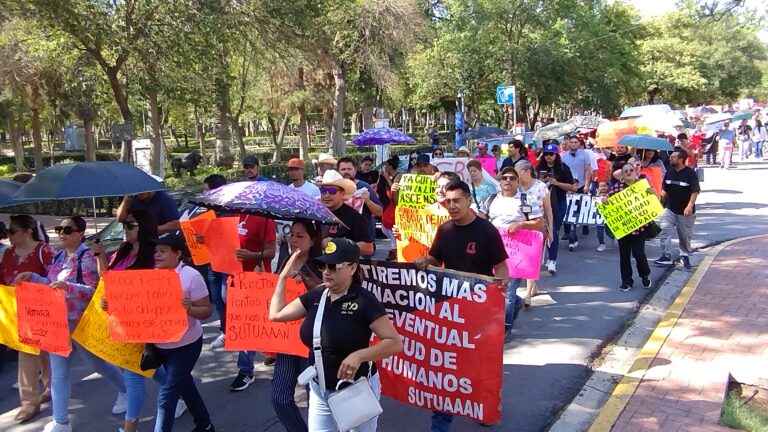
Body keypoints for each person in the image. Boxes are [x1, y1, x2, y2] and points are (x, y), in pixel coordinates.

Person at [268, 238, 403, 432]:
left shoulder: (364, 300)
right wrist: (282, 278)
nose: (326, 272)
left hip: (355, 390)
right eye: (323, 265)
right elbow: (276, 314)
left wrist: (359, 356)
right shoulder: (318, 294)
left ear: (352, 268)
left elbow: (394, 343)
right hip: (320, 390)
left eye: (333, 266)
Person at [412, 180, 508, 432]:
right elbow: (436, 258)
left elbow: (500, 266)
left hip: (479, 311)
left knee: (478, 365)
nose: (451, 206)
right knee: (446, 366)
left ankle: (484, 406)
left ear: (468, 200)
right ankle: (440, 423)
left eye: (456, 201)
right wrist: (425, 260)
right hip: (449, 311)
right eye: (447, 202)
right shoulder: (444, 231)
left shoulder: (486, 231)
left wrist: (502, 285)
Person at [16, 216, 128, 432]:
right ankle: (61, 421)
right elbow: (51, 284)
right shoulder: (58, 257)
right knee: (59, 373)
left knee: (97, 363)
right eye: (59, 229)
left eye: (67, 230)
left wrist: (68, 287)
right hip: (57, 321)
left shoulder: (86, 257)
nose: (61, 233)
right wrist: (32, 277)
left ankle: (126, 390)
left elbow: (95, 291)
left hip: (81, 322)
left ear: (80, 234)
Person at [93, 209, 187, 432]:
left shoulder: (153, 255)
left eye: (130, 225)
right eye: (124, 225)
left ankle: (130, 426)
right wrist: (100, 257)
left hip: (141, 321)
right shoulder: (122, 251)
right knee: (146, 366)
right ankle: (178, 393)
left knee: (132, 371)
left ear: (143, 227)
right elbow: (107, 279)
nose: (125, 230)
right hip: (121, 320)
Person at [150, 233, 215, 432]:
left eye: (163, 251)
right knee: (185, 385)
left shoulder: (191, 276)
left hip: (185, 346)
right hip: (160, 345)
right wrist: (110, 305)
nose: (158, 255)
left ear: (178, 254)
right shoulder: (151, 274)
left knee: (166, 398)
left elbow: (206, 311)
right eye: (156, 251)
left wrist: (189, 309)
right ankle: (205, 425)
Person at [270, 220, 323, 432]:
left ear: (312, 240)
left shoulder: (320, 265)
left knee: (315, 400)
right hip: (286, 341)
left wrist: (309, 284)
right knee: (279, 397)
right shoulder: (285, 262)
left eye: (300, 236)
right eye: (291, 234)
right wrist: (261, 278)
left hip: (310, 345)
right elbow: (273, 296)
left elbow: (328, 296)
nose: (293, 240)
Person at [1, 215, 54, 423]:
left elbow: (57, 278)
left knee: (42, 353)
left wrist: (34, 279)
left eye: (12, 231)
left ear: (27, 231)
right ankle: (32, 399)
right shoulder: (8, 254)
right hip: (16, 311)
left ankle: (40, 396)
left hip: (41, 310)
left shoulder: (45, 251)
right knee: (30, 354)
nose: (9, 235)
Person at [478, 166, 541, 329]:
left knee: (507, 291)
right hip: (492, 250)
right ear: (500, 181)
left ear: (518, 182)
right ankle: (518, 303)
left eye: (512, 178)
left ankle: (504, 327)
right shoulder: (491, 199)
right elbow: (481, 219)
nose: (507, 180)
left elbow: (539, 223)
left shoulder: (526, 200)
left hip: (516, 252)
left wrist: (521, 224)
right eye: (504, 177)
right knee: (493, 287)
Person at [605, 165, 652, 292]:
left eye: (631, 170)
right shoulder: (617, 187)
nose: (629, 172)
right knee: (624, 255)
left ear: (635, 172)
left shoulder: (643, 185)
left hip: (640, 228)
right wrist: (605, 200)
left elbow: (656, 202)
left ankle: (645, 274)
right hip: (623, 228)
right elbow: (608, 201)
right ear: (622, 175)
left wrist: (653, 194)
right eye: (625, 171)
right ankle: (626, 281)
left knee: (639, 253)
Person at [514, 160, 553, 307]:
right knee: (520, 259)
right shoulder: (516, 187)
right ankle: (533, 286)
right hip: (519, 227)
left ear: (526, 171)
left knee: (532, 260)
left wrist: (550, 228)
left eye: (517, 172)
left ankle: (529, 293)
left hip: (537, 227)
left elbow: (548, 209)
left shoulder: (541, 187)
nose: (515, 175)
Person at [654, 149, 700, 270]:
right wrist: (658, 199)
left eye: (673, 157)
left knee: (684, 235)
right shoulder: (669, 172)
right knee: (664, 229)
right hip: (670, 208)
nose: (670, 158)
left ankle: (685, 255)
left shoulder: (690, 173)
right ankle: (666, 255)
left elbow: (695, 191)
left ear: (680, 159)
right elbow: (665, 190)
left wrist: (689, 206)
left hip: (685, 211)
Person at [537, 142, 577, 275]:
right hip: (542, 204)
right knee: (550, 230)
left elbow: (571, 187)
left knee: (554, 230)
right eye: (546, 154)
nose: (548, 156)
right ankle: (552, 259)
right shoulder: (539, 167)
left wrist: (556, 183)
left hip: (559, 202)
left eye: (551, 154)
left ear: (556, 155)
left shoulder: (563, 167)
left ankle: (551, 257)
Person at [319, 170, 374, 256]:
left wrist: (337, 244)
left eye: (332, 191)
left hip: (342, 267)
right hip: (317, 265)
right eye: (323, 190)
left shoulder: (354, 217)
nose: (326, 195)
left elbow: (368, 248)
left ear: (342, 193)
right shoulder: (316, 214)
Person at [337, 157, 384, 246]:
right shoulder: (333, 188)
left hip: (363, 239)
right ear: (338, 172)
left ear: (355, 171)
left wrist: (368, 200)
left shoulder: (364, 187)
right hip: (340, 238)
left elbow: (379, 212)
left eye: (349, 169)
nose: (346, 172)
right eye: (343, 169)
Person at [561, 136, 592, 250]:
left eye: (575, 142)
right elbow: (563, 173)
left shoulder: (585, 154)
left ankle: (585, 226)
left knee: (582, 209)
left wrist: (587, 185)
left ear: (579, 143)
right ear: (568, 144)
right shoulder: (564, 157)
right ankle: (569, 234)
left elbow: (587, 170)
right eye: (571, 142)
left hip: (581, 185)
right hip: (569, 186)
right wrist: (566, 187)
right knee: (569, 210)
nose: (573, 144)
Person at [378, 156, 402, 261]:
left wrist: (388, 178)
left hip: (395, 204)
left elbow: (395, 189)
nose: (385, 168)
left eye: (386, 166)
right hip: (387, 203)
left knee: (389, 224)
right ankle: (394, 247)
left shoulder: (399, 176)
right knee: (385, 227)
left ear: (391, 167)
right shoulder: (384, 175)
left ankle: (394, 248)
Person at [594, 180, 613, 252]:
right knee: (599, 230)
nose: (603, 188)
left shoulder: (611, 194)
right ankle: (602, 244)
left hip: (609, 216)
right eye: (601, 186)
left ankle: (612, 236)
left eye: (604, 186)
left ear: (608, 187)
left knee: (609, 231)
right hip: (599, 216)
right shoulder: (595, 195)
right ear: (598, 188)